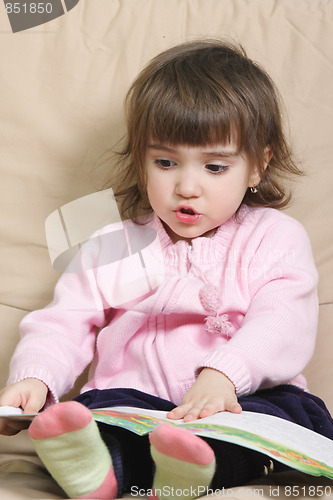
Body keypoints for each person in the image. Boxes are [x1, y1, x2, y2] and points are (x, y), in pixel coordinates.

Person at [0, 39, 332, 500]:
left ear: (258, 166)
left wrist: (225, 374)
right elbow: (63, 323)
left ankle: (188, 469)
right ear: (141, 161)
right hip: (136, 403)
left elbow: (283, 321)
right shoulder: (111, 244)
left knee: (295, 416)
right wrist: (34, 377)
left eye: (215, 166)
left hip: (239, 399)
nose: (186, 187)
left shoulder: (273, 236)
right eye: (165, 163)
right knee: (93, 416)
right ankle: (102, 471)